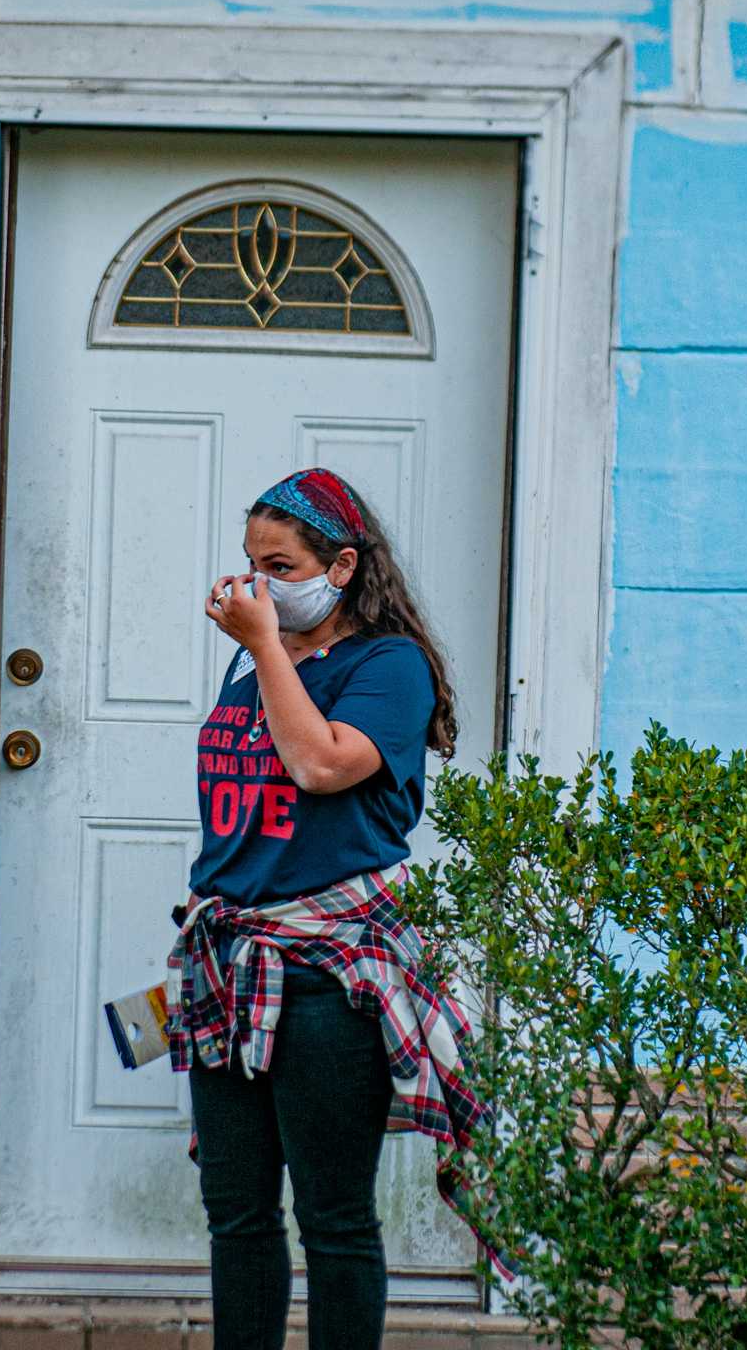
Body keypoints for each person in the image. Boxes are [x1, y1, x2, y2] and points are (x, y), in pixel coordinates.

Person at [165, 467, 488, 1350]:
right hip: (230, 964)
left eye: (279, 564)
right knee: (236, 1217)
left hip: (329, 978)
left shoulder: (390, 665)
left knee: (333, 1222)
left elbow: (321, 766)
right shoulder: (252, 660)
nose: (255, 585)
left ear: (340, 567)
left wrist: (268, 646)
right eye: (248, 564)